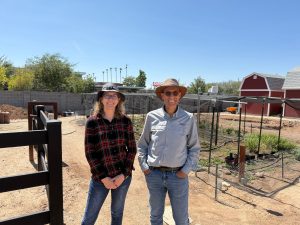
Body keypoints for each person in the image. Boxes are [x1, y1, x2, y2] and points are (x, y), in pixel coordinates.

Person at [138, 78, 200, 225]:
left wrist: (185, 171)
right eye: (168, 93)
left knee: (181, 219)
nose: (171, 97)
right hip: (154, 175)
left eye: (175, 93)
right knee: (155, 217)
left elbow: (194, 148)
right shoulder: (152, 117)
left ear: (179, 96)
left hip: (177, 176)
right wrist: (145, 167)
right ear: (162, 96)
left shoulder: (188, 118)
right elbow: (142, 145)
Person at [82, 83, 137, 225]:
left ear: (119, 100)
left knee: (117, 213)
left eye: (114, 96)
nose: (111, 99)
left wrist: (124, 174)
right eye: (107, 96)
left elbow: (131, 149)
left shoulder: (126, 121)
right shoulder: (92, 122)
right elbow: (90, 152)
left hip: (122, 178)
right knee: (89, 216)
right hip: (100, 179)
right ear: (101, 99)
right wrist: (103, 177)